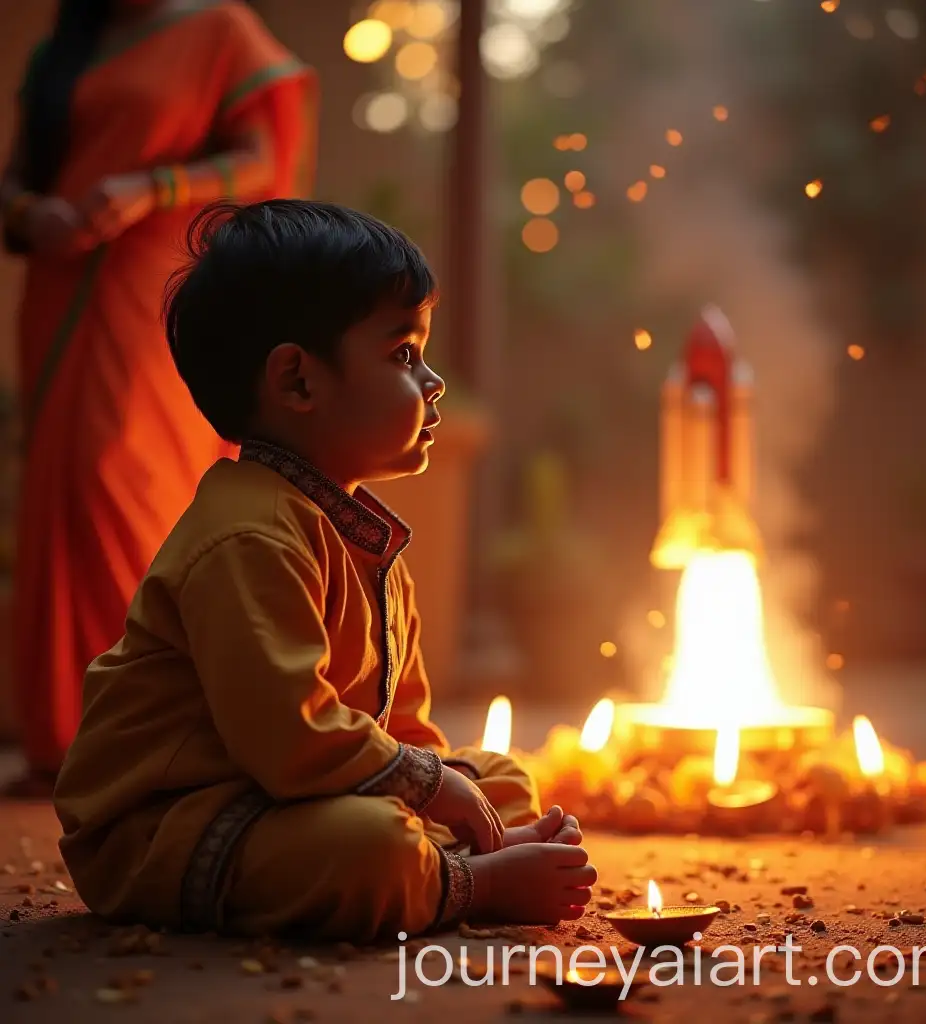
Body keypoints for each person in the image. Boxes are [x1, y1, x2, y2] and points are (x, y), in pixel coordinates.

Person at [53, 200, 597, 941]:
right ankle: (469, 883)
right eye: (404, 354)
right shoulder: (247, 535)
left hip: (283, 795)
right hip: (174, 824)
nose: (433, 381)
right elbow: (291, 736)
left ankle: (453, 864)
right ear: (298, 382)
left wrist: (444, 783)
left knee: (498, 777)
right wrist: (433, 794)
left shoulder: (362, 536)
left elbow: (401, 727)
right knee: (370, 850)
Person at [0, 0, 317, 794]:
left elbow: (261, 158)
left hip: (156, 280)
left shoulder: (219, 32)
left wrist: (152, 187)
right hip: (61, 282)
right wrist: (30, 213)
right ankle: (66, 739)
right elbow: (17, 175)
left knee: (121, 479)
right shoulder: (66, 46)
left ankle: (155, 732)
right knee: (61, 496)